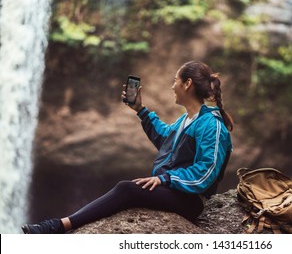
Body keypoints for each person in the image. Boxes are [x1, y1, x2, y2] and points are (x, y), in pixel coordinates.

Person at [21, 60, 233, 234]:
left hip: (190, 199)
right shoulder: (187, 119)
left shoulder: (211, 124)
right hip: (172, 190)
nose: (172, 86)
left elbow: (206, 172)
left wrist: (164, 178)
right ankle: (59, 225)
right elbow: (165, 139)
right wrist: (140, 110)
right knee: (129, 189)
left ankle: (58, 225)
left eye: (175, 80)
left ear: (187, 84)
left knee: (127, 188)